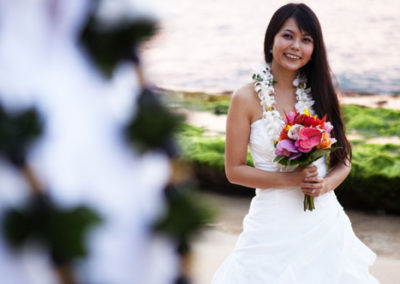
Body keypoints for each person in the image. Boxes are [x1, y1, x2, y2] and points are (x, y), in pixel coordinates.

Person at [212, 3, 379, 284]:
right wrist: (292, 180)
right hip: (270, 226)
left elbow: (344, 160)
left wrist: (326, 184)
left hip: (323, 226)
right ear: (272, 40)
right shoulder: (245, 97)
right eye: (288, 36)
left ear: (315, 48)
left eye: (306, 39)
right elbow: (234, 170)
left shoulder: (321, 92)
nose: (296, 46)